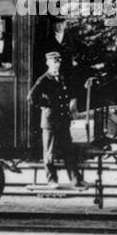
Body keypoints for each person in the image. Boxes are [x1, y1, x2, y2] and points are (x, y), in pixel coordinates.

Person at [28, 50, 84, 188]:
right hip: (50, 121)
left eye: (58, 62)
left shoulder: (61, 77)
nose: (56, 65)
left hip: (63, 120)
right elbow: (31, 97)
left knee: (68, 151)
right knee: (50, 153)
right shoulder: (44, 79)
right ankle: (51, 180)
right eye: (54, 62)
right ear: (48, 63)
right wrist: (46, 105)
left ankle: (75, 179)